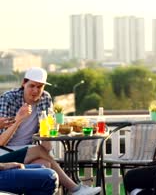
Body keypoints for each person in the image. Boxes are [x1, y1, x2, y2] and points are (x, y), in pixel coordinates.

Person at [0, 67, 101, 195]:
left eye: (40, 86)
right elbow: (1, 141)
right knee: (38, 151)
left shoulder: (45, 98)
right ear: (23, 84)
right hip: (4, 151)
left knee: (45, 164)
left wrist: (49, 135)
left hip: (27, 150)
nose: (36, 90)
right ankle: (75, 189)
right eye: (32, 86)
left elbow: (46, 140)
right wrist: (19, 119)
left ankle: (75, 190)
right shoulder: (8, 99)